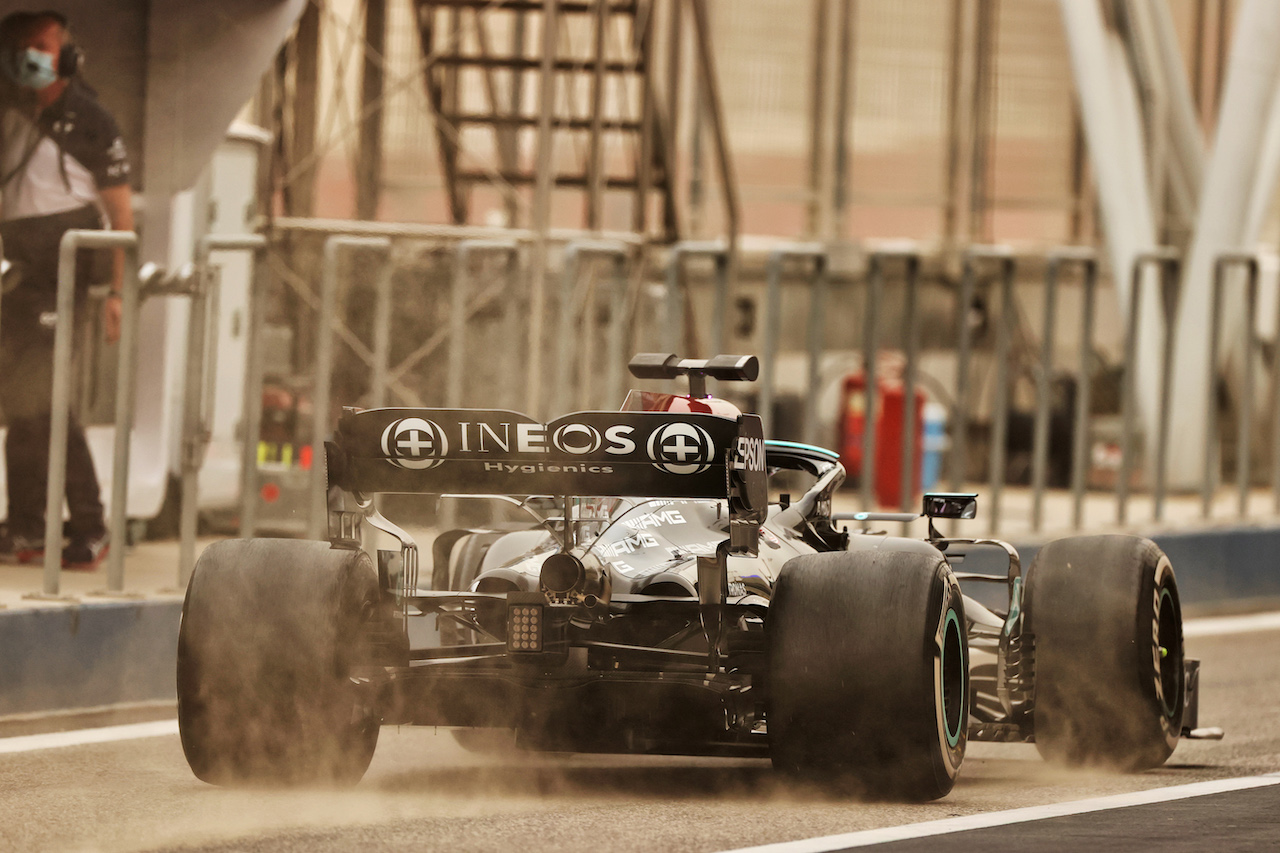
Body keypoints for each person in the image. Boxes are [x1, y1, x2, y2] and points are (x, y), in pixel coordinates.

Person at [0, 10, 132, 570]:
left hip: (65, 274)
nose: (30, 56)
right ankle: (28, 528)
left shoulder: (92, 119)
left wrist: (118, 294)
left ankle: (91, 525)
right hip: (20, 277)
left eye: (42, 47)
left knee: (48, 401)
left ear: (68, 57)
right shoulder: (12, 115)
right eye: (22, 47)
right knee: (24, 405)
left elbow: (122, 214)